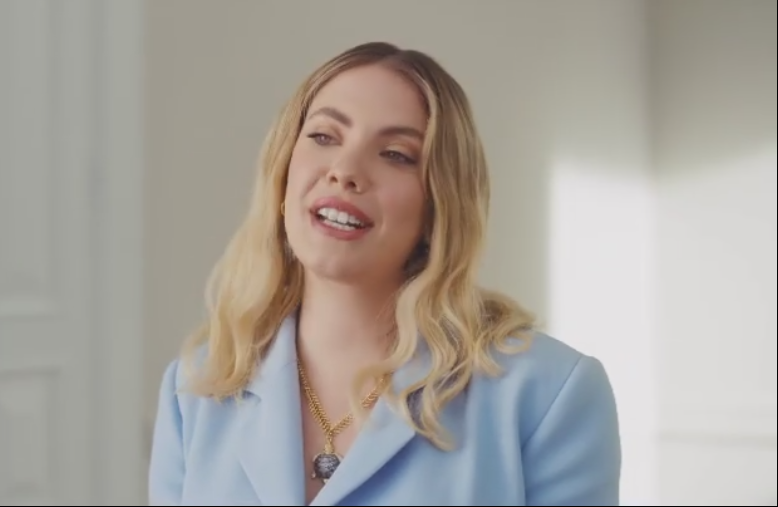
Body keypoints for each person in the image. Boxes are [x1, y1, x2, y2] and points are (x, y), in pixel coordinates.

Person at [148, 42, 621, 506]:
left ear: (440, 203)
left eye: (395, 154)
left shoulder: (548, 394)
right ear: (283, 170)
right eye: (324, 136)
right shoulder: (196, 391)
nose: (345, 170)